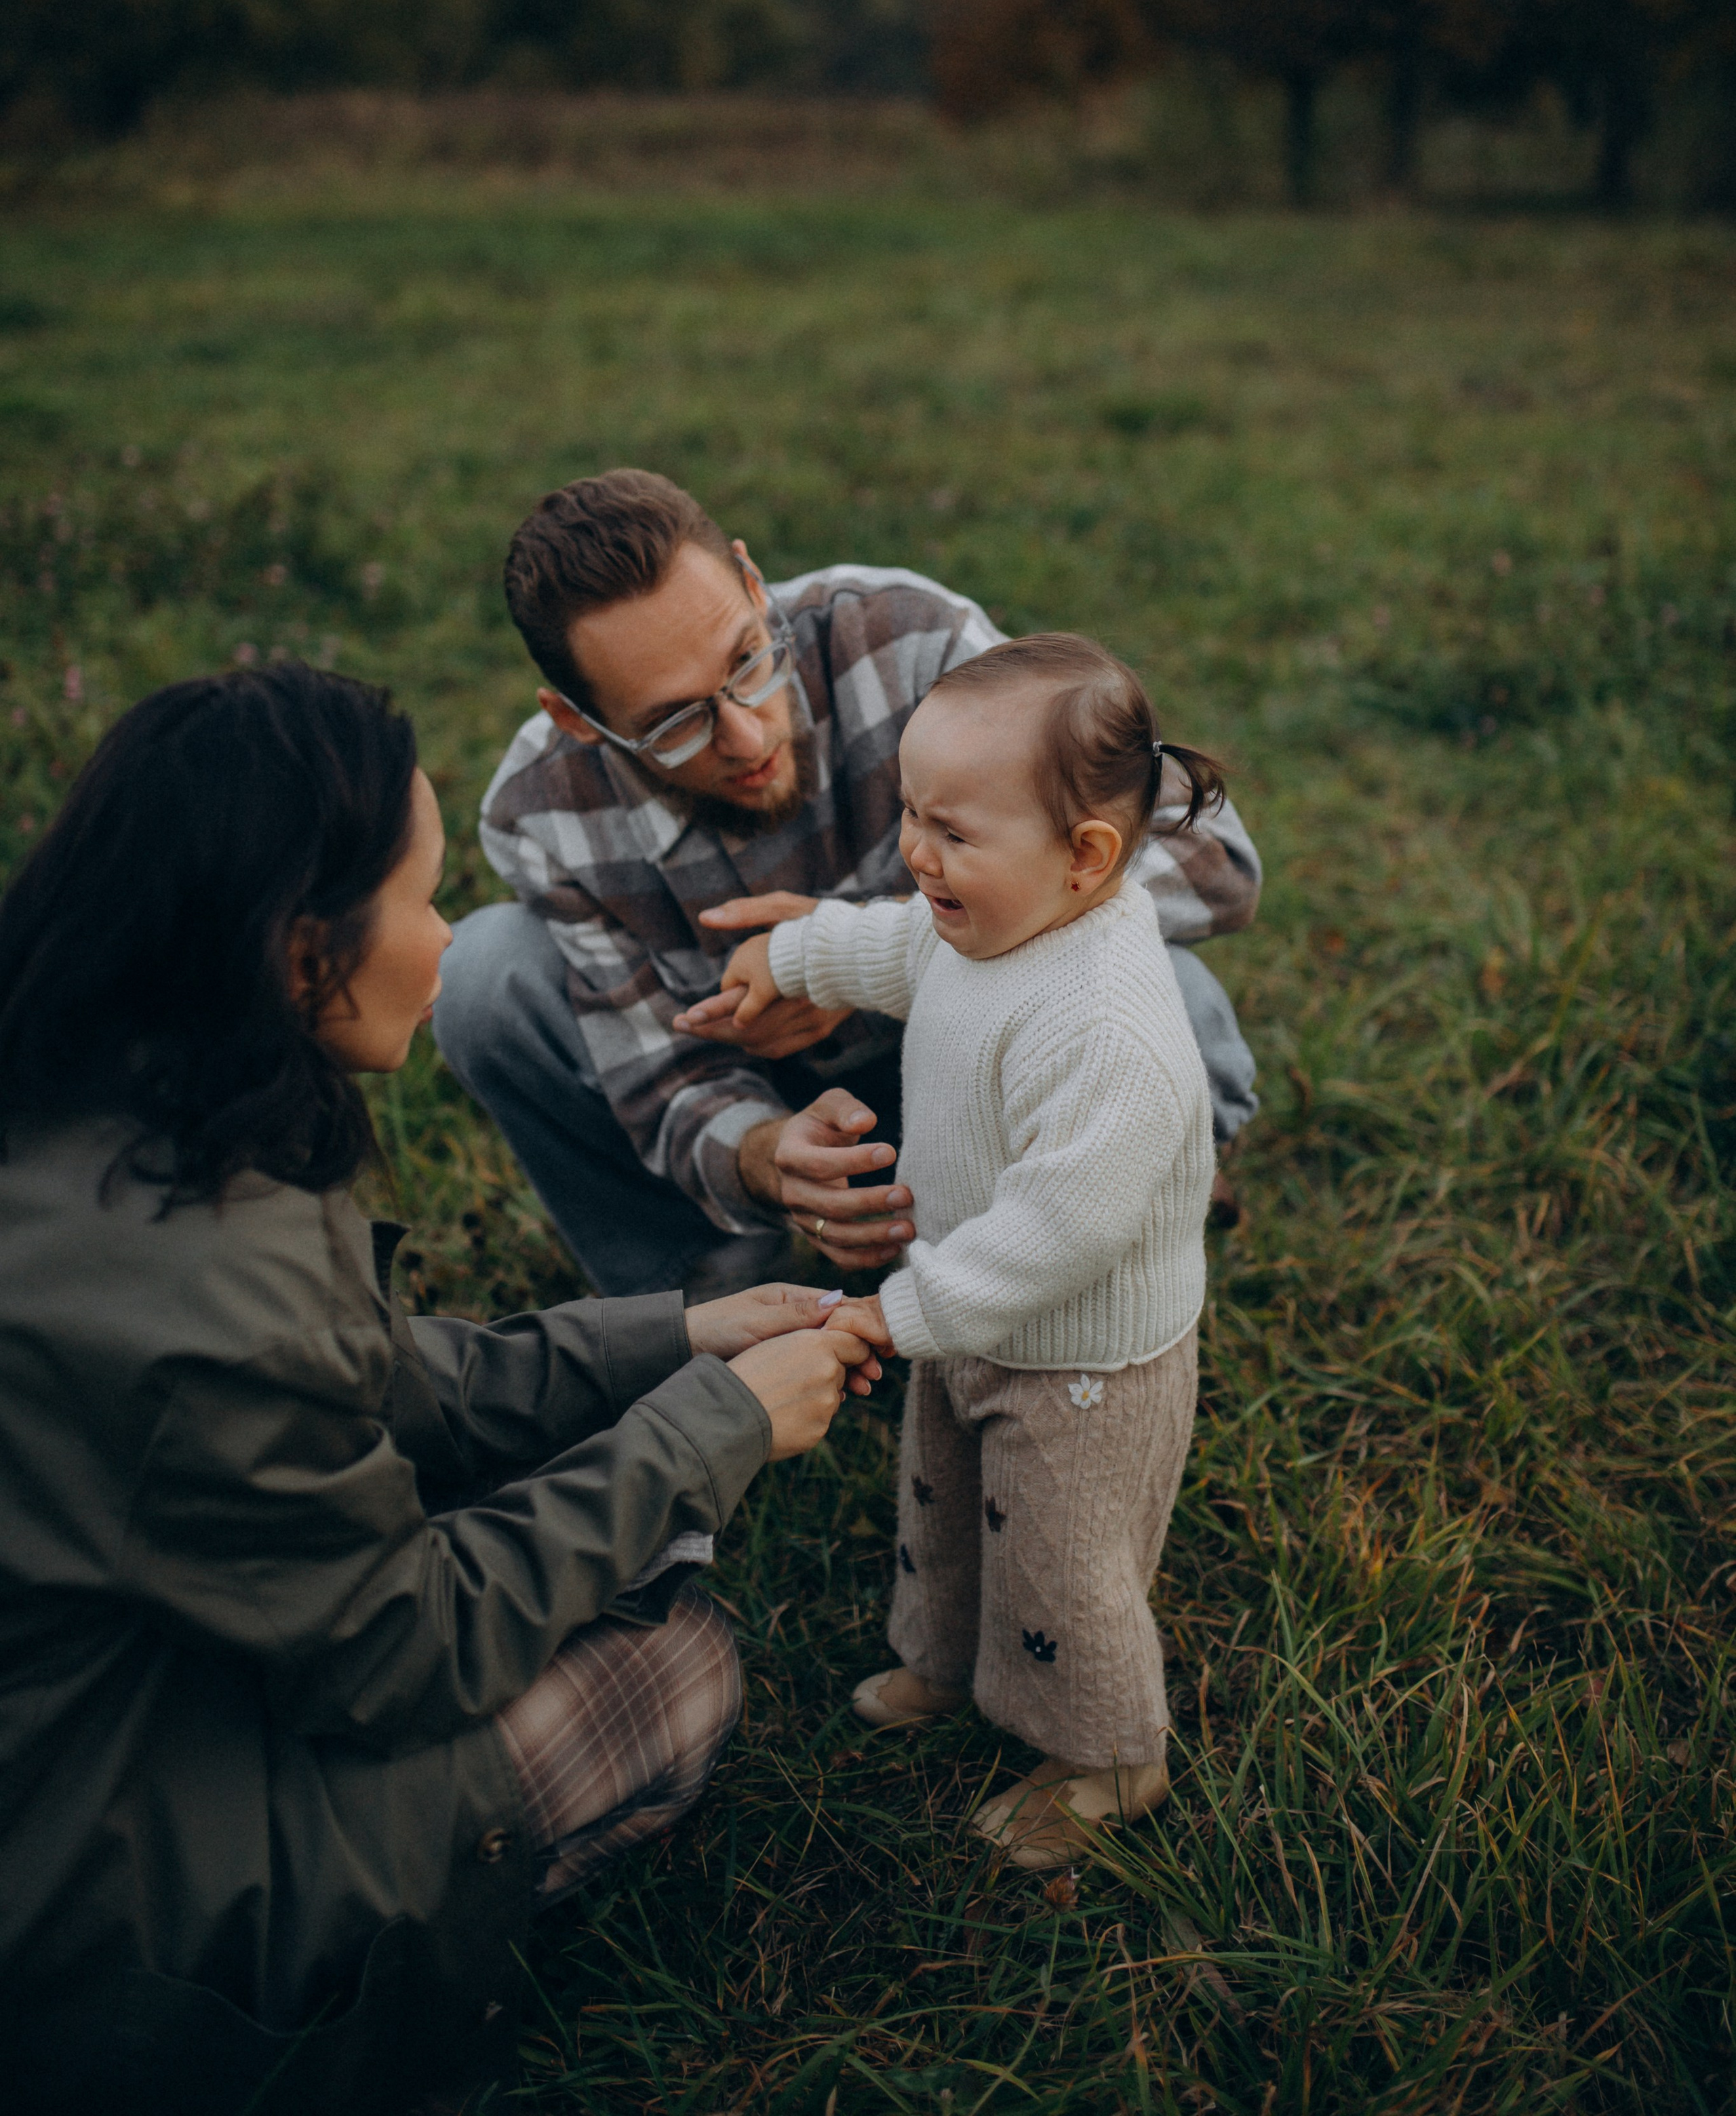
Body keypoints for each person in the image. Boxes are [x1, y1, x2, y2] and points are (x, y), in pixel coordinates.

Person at [0, 663, 886, 2116]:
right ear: (298, 954)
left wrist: (673, 1342)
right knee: (676, 1664)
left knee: (553, 1521)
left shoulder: (102, 1095)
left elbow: (364, 1375)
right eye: (417, 901)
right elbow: (405, 1645)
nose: (442, 939)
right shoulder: (210, 1287)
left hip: (95, 1678)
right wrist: (715, 1428)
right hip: (93, 1880)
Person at [434, 469, 1261, 1301]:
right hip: (776, 1100)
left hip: (980, 1065)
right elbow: (655, 1071)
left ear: (755, 585)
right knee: (481, 973)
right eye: (673, 721)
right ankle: (702, 1279)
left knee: (1163, 988)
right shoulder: (539, 812)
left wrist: (859, 955)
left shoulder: (908, 642)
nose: (747, 732)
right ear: (578, 720)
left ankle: (1108, 1210)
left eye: (748, 659)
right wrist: (767, 1156)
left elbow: (1211, 858)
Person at [688, 634, 1217, 1873]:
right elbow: (891, 949)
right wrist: (797, 952)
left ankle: (1108, 1750)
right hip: (965, 1312)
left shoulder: (1107, 1029)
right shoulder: (983, 921)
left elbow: (1058, 1234)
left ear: (1085, 857)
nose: (918, 852)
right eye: (912, 816)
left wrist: (902, 1311)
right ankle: (951, 1661)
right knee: (946, 1501)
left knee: (1061, 1560)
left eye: (953, 831)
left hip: (1080, 1360)